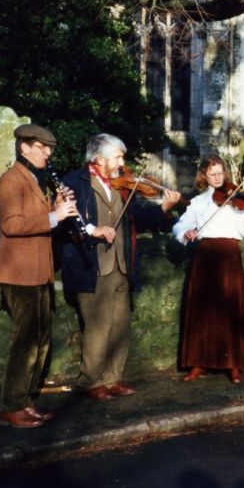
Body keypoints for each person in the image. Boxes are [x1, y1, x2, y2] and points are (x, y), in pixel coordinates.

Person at [60, 134, 181, 401]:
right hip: (92, 265)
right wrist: (93, 230)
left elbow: (139, 216)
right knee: (97, 326)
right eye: (118, 157)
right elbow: (69, 222)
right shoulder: (74, 182)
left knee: (120, 326)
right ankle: (91, 382)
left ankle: (113, 378)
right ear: (100, 159)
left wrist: (164, 208)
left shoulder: (121, 185)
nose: (122, 162)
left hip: (121, 264)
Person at [0, 124, 78, 428]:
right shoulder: (10, 181)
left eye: (49, 148)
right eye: (42, 147)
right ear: (24, 148)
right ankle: (11, 407)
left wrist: (57, 208)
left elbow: (38, 222)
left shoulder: (33, 179)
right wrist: (54, 216)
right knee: (25, 341)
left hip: (38, 271)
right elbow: (12, 225)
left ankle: (25, 401)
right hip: (18, 273)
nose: (48, 153)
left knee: (40, 339)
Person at [173, 155, 244, 383]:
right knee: (202, 311)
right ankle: (198, 363)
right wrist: (186, 233)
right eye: (211, 174)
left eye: (220, 173)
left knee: (230, 309)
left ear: (225, 173)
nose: (216, 177)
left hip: (229, 256)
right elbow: (181, 225)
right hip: (205, 257)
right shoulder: (198, 202)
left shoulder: (236, 199)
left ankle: (233, 364)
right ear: (204, 176)